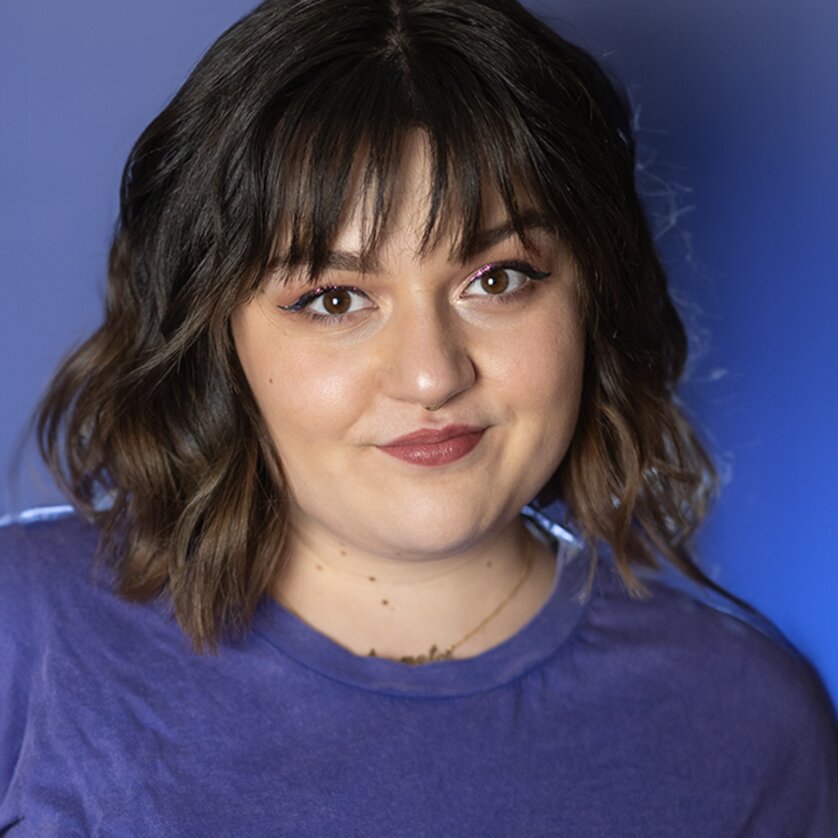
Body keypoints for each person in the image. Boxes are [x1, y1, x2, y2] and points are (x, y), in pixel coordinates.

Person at [1, 0, 836, 834]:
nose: (433, 374)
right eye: (334, 299)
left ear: (593, 297)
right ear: (217, 335)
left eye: (498, 279)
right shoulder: (24, 631)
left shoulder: (746, 719)